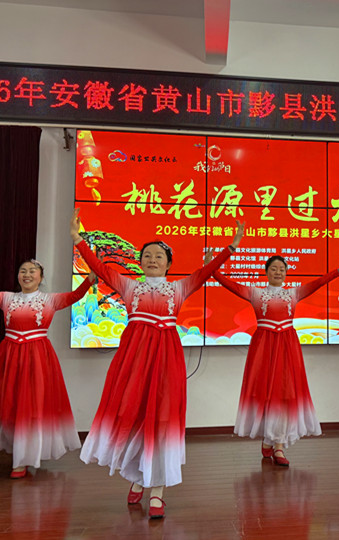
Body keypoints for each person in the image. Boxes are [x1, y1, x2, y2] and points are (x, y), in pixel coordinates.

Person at [71, 209, 244, 518]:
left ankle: (157, 491)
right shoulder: (128, 286)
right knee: (134, 414)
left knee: (162, 418)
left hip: (166, 359)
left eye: (159, 256)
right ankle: (138, 477)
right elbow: (98, 266)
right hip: (133, 359)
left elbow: (206, 271)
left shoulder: (179, 288)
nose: (152, 259)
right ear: (140, 262)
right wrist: (77, 239)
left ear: (168, 264)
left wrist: (231, 247)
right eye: (147, 255)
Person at [0, 243, 94, 478]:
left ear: (41, 278)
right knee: (13, 404)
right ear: (18, 276)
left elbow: (76, 295)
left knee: (34, 406)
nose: (27, 274)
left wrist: (91, 277)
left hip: (39, 357)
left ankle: (25, 459)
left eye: (32, 271)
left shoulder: (50, 300)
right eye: (23, 271)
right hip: (11, 357)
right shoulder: (6, 298)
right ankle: (19, 456)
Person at [207, 252, 339, 466]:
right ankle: (268, 438)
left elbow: (317, 283)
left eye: (282, 269)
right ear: (266, 272)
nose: (278, 272)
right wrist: (211, 269)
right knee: (265, 393)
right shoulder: (256, 293)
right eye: (274, 268)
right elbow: (230, 285)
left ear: (286, 273)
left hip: (288, 347)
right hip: (264, 348)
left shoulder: (293, 293)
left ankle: (278, 446)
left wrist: (338, 271)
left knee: (285, 394)